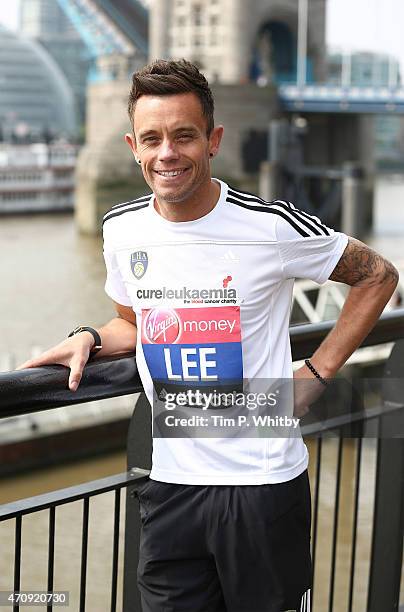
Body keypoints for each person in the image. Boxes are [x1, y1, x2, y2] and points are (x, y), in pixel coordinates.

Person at [20, 59, 399, 612]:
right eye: (151, 138)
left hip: (263, 485)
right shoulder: (121, 229)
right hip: (170, 484)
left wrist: (316, 373)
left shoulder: (270, 225)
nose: (166, 153)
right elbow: (132, 319)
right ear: (133, 145)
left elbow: (378, 276)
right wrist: (89, 338)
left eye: (183, 136)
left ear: (213, 140)